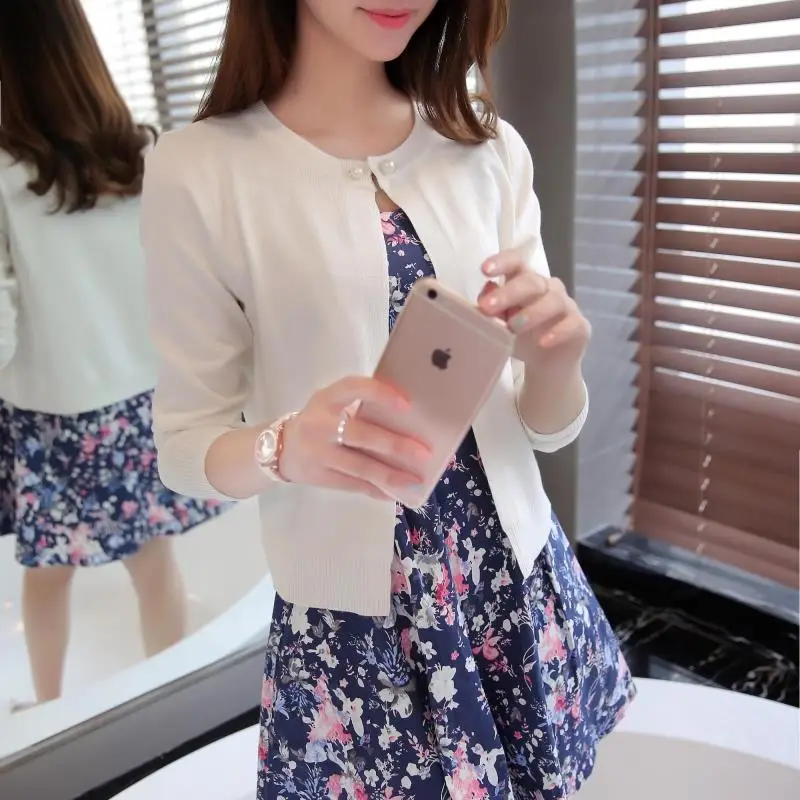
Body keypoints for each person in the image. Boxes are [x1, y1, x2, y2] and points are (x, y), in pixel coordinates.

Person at [141, 1, 636, 797]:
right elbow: (184, 447)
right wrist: (284, 446)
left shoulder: (488, 148)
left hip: (513, 580)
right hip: (360, 626)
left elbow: (542, 427)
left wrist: (556, 363)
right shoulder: (199, 170)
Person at [0, 0, 228, 710]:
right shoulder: (142, 154)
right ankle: (167, 692)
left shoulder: (5, 174)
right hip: (140, 397)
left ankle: (48, 704)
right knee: (154, 563)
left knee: (47, 570)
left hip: (51, 410)